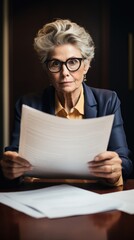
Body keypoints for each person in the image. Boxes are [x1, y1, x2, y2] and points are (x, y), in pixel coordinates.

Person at [0, 18, 133, 186]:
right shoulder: (27, 104)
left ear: (86, 65)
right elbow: (13, 158)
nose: (64, 73)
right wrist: (10, 168)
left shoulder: (108, 100)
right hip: (41, 193)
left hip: (92, 193)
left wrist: (116, 168)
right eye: (55, 63)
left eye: (73, 62)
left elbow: (124, 160)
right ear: (46, 70)